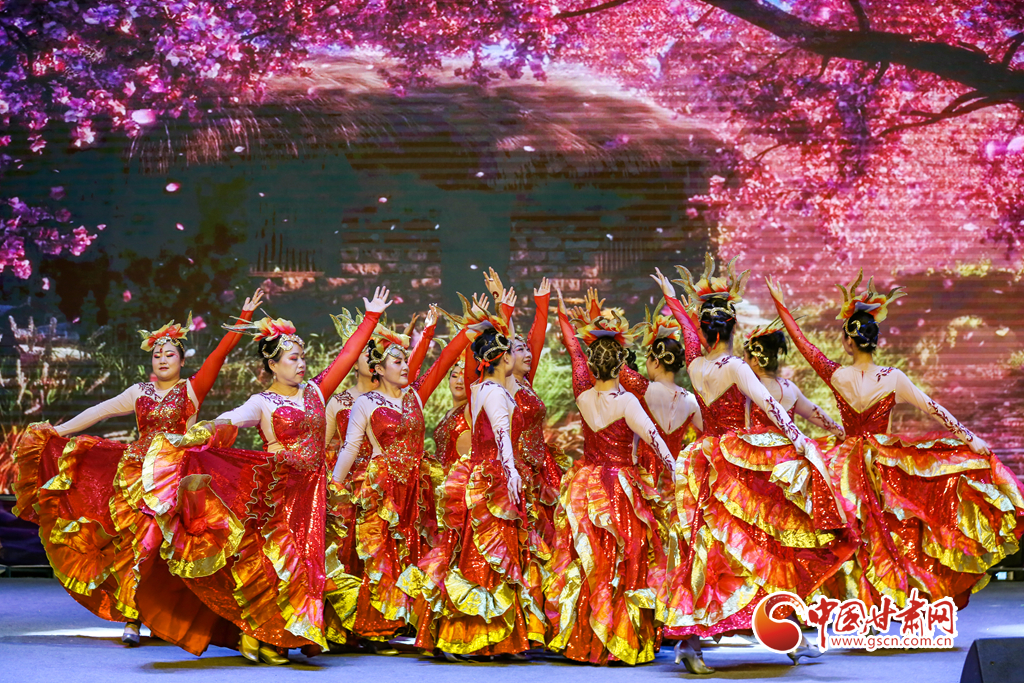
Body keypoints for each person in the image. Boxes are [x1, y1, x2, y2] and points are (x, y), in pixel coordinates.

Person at [143, 287, 392, 663]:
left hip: (312, 495)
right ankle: (260, 635)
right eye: (293, 358)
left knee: (306, 567)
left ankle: (278, 637)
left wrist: (371, 317)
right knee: (274, 566)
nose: (301, 364)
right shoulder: (262, 402)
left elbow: (346, 357)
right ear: (273, 365)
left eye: (303, 357)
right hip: (278, 497)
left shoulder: (315, 392)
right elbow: (229, 420)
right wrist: (197, 433)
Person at [12, 288, 263, 650]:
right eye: (157, 354)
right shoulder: (139, 392)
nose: (162, 359)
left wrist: (243, 316)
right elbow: (98, 411)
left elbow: (220, 355)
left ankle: (172, 617)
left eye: (170, 354)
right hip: (136, 478)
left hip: (176, 481)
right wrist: (59, 431)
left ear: (182, 360)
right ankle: (132, 618)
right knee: (138, 546)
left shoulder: (192, 390)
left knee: (172, 551)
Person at [766, 270, 1024, 609]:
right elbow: (933, 408)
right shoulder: (893, 377)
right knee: (887, 532)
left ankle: (860, 603)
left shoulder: (837, 375)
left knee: (853, 531)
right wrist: (970, 438)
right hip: (882, 460)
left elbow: (803, 344)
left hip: (844, 463)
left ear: (848, 342)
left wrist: (781, 305)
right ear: (875, 341)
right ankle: (882, 601)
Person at [651, 257, 853, 673]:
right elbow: (769, 406)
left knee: (708, 548)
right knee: (760, 545)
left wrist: (672, 299)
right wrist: (798, 439)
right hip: (735, 460)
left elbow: (688, 334)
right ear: (733, 329)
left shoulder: (695, 365)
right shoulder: (737, 366)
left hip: (703, 459)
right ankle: (782, 636)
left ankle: (695, 642)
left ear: (706, 330)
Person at [400, 296, 545, 659]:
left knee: (472, 551)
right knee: (490, 554)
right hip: (494, 479)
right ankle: (477, 635)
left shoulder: (480, 388)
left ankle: (481, 635)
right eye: (510, 351)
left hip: (478, 475)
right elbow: (502, 435)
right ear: (503, 358)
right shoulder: (494, 393)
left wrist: (497, 317)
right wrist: (512, 472)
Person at [542, 285, 675, 666]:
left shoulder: (583, 397)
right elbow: (655, 441)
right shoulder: (627, 401)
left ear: (594, 366)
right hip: (620, 488)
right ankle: (619, 636)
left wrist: (562, 316)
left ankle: (584, 638)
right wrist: (677, 471)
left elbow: (574, 353)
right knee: (622, 558)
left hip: (586, 485)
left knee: (590, 559)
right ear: (620, 367)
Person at [329, 311, 469, 652]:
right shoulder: (365, 403)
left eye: (406, 361)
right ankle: (378, 627)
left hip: (417, 488)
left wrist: (469, 329)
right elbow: (350, 448)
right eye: (397, 361)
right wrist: (334, 486)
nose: (405, 366)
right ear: (379, 368)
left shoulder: (414, 397)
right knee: (384, 555)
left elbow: (443, 361)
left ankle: (411, 623)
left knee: (417, 551)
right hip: (383, 488)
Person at [620, 299, 702, 496]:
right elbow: (709, 431)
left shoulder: (642, 388)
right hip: (675, 477)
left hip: (644, 477)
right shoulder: (691, 400)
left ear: (656, 362)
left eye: (648, 360)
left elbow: (615, 365)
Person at [741, 318, 845, 439]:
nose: (743, 361)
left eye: (744, 357)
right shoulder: (789, 388)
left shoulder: (745, 388)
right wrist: (843, 434)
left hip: (752, 449)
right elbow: (813, 412)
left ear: (755, 360)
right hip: (788, 450)